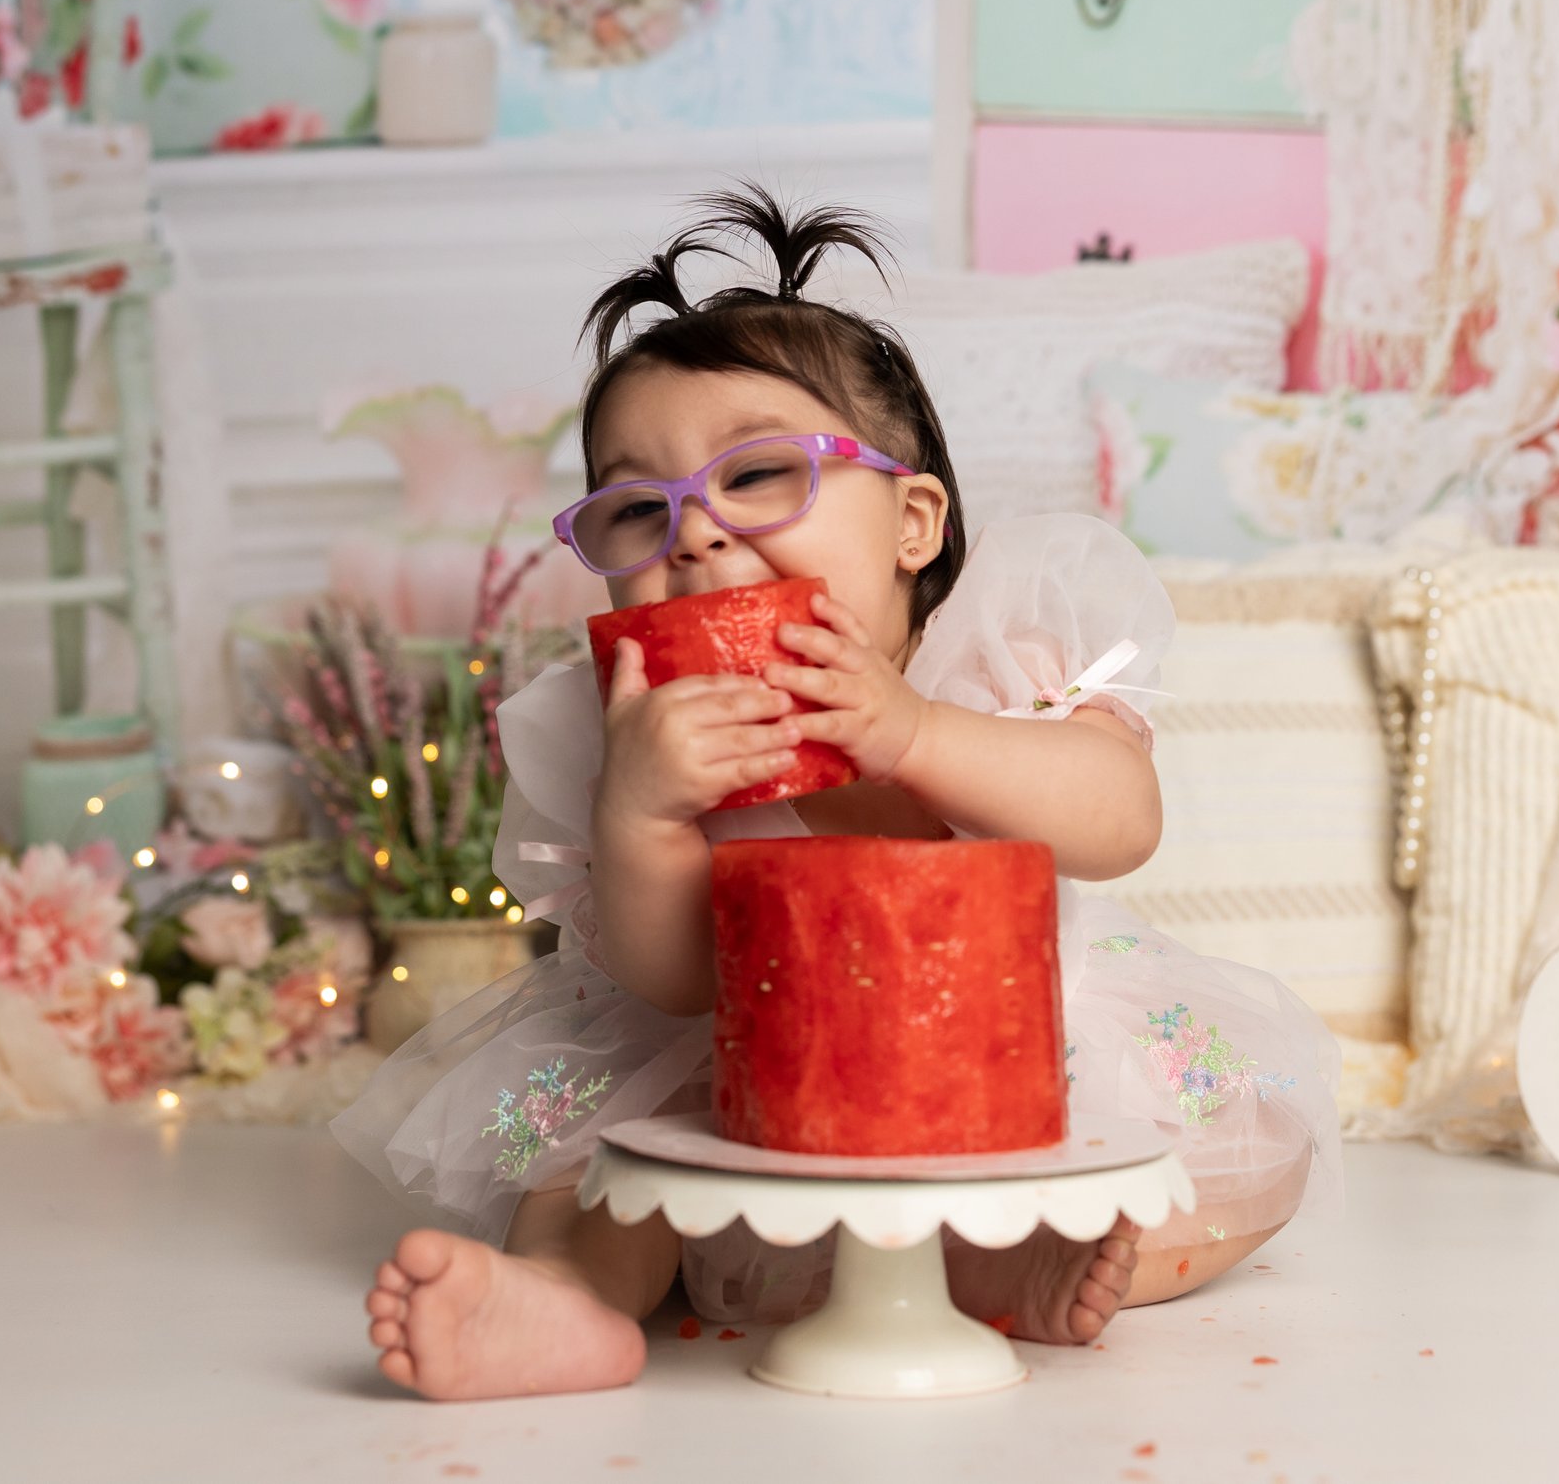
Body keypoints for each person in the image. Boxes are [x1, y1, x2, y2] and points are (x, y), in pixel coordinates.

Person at [334, 185, 1339, 1400]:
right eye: (638, 508)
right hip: (746, 1073)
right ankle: (570, 1304)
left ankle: (1008, 1268)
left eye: (758, 476)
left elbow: (1119, 818)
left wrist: (913, 730)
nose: (695, 538)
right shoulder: (639, 728)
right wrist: (645, 811)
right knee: (585, 1171)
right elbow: (675, 979)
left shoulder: (1006, 640)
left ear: (914, 522)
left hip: (1032, 1046)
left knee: (1248, 1162)